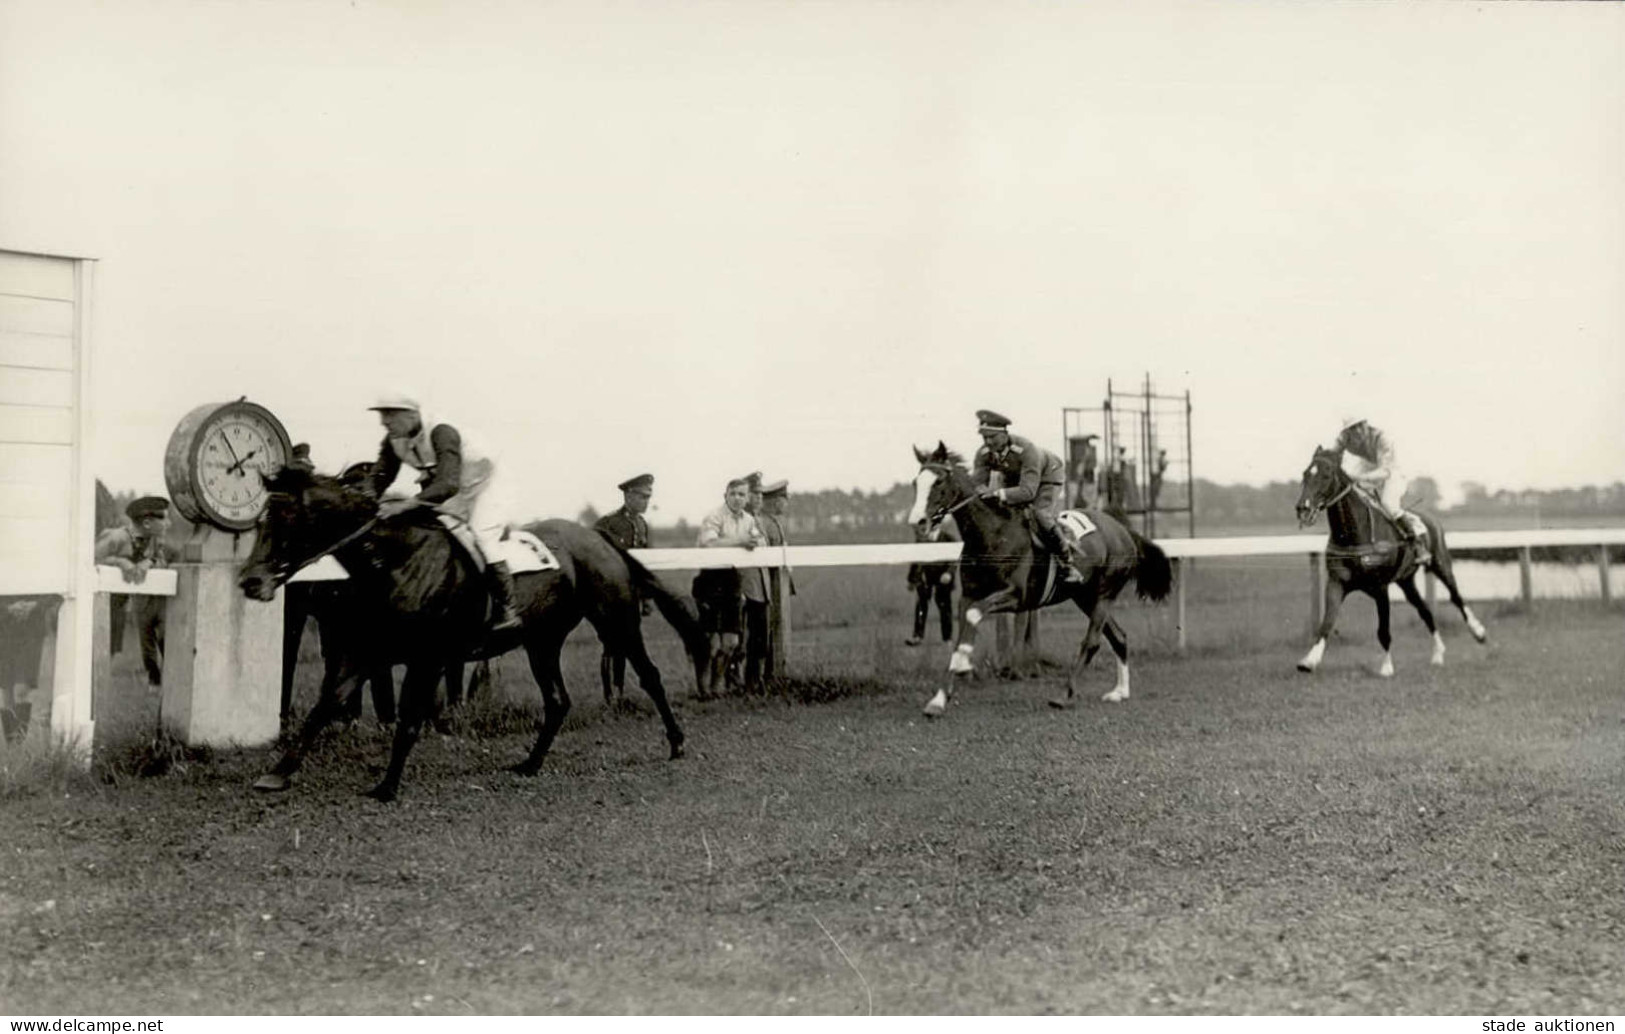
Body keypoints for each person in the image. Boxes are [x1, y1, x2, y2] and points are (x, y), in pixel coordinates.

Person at [365, 394, 521, 631]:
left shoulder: (441, 431)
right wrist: (362, 502)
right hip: (456, 490)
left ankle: (507, 607)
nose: (383, 422)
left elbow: (447, 483)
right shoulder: (394, 439)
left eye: (389, 415)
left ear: (411, 414)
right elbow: (380, 477)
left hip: (488, 485)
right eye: (381, 415)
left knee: (482, 534)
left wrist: (405, 504)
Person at [971, 410, 1082, 583]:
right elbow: (977, 485)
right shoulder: (983, 453)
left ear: (1004, 434)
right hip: (1016, 479)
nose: (988, 442)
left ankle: (1067, 563)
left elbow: (1028, 492)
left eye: (992, 437)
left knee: (1039, 514)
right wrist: (982, 492)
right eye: (984, 437)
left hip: (1048, 476)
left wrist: (995, 493)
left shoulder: (1026, 450)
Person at [694, 477, 765, 696]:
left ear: (747, 498)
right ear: (725, 495)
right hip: (710, 580)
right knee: (710, 641)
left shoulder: (749, 520)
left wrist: (753, 542)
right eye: (733, 494)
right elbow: (709, 543)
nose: (737, 498)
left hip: (733, 581)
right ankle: (703, 689)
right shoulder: (714, 516)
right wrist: (740, 541)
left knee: (731, 642)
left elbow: (759, 542)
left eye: (742, 494)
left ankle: (717, 686)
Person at [94, 495, 172, 689]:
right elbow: (91, 559)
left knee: (113, 649)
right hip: (102, 605)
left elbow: (162, 561)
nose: (168, 524)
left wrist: (150, 562)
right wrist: (120, 562)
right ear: (147, 522)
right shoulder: (115, 537)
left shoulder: (153, 541)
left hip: (122, 606)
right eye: (164, 519)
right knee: (97, 653)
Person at [594, 473, 654, 699]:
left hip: (632, 595)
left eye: (648, 497)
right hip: (609, 595)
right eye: (641, 496)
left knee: (629, 642)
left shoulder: (641, 524)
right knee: (612, 644)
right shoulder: (608, 523)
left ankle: (618, 691)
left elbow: (643, 564)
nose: (645, 501)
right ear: (628, 495)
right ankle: (611, 696)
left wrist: (646, 598)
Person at [1335, 416, 1430, 558]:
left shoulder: (1382, 438)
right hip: (1367, 467)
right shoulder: (1342, 439)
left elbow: (1385, 471)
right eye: (1353, 428)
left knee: (1387, 504)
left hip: (1391, 472)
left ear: (1367, 424)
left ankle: (1417, 542)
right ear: (1347, 432)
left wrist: (1361, 478)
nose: (1358, 431)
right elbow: (1331, 456)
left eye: (1361, 426)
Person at [752, 478, 795, 684]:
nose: (786, 504)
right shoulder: (764, 523)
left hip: (779, 585)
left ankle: (774, 673)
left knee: (776, 628)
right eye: (784, 499)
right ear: (777, 501)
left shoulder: (775, 522)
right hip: (769, 586)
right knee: (768, 630)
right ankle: (767, 676)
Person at [906, 514, 959, 646]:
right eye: (922, 524)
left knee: (944, 606)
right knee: (921, 605)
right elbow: (916, 561)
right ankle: (917, 636)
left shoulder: (948, 539)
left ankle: (947, 638)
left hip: (943, 578)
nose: (925, 527)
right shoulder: (921, 540)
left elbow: (954, 560)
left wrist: (949, 573)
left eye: (927, 523)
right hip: (926, 578)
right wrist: (911, 580)